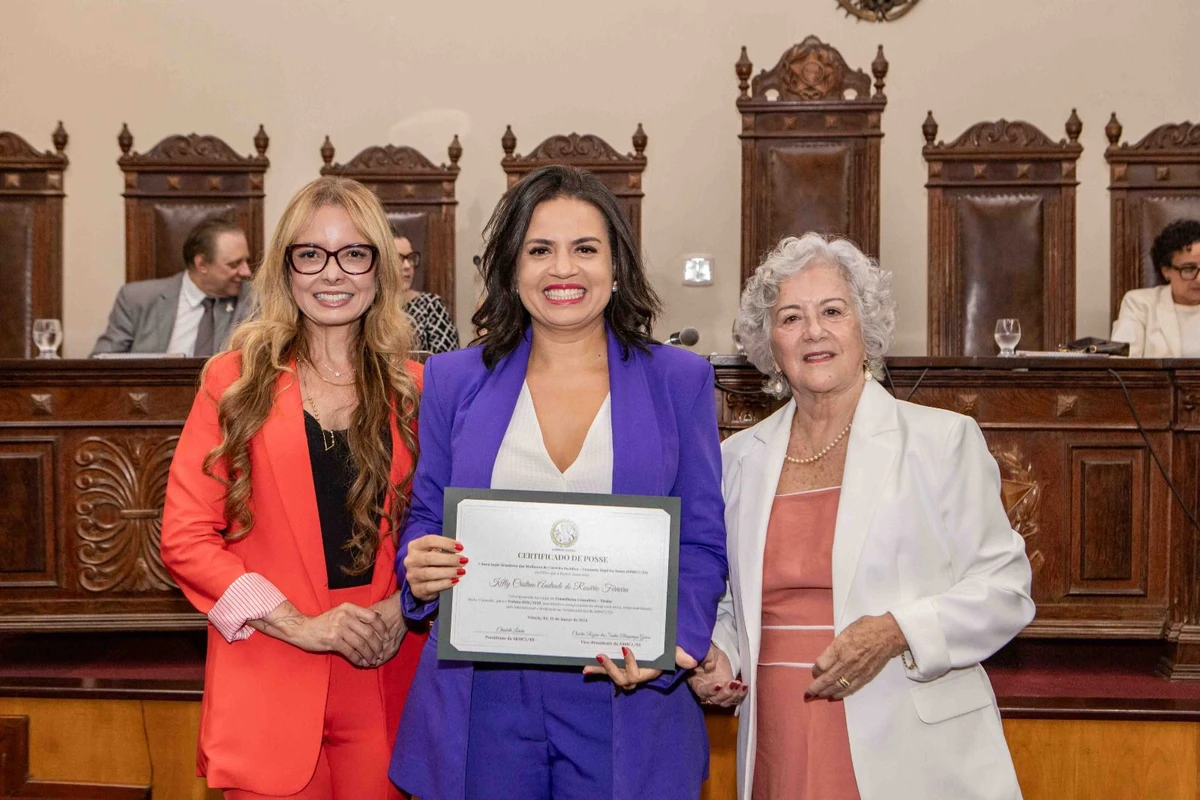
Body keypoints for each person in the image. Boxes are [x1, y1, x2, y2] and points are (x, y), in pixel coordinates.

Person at [389, 165, 728, 800]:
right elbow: (428, 517)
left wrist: (667, 645)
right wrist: (422, 564)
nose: (562, 269)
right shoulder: (454, 381)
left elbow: (703, 541)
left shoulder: (679, 381)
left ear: (617, 266)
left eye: (585, 249)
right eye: (539, 249)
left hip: (623, 692)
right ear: (512, 271)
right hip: (484, 697)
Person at [691, 233, 1034, 800]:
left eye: (832, 311)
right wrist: (719, 657)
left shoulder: (940, 440)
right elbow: (733, 601)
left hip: (904, 728)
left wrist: (896, 630)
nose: (813, 332)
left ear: (865, 327)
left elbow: (1006, 590)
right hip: (780, 725)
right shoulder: (737, 459)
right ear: (769, 345)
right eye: (790, 318)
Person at [160, 177, 427, 799]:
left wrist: (400, 608)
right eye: (311, 253)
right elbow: (186, 538)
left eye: (353, 253)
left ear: (379, 268)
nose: (332, 274)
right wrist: (300, 624)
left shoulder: (420, 389)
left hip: (385, 669)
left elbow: (442, 529)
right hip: (270, 663)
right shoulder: (233, 381)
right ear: (285, 267)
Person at [91, 218, 254, 356]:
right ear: (202, 264)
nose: (246, 271)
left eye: (246, 261)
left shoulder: (255, 300)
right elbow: (100, 364)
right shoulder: (137, 299)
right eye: (234, 264)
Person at [1112, 218, 1200, 357]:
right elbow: (1122, 364)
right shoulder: (1139, 304)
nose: (1199, 279)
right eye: (1189, 269)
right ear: (1166, 270)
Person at [395, 234, 459, 354]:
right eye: (398, 258)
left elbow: (448, 364)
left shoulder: (431, 306)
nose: (407, 266)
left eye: (410, 258)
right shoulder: (367, 307)